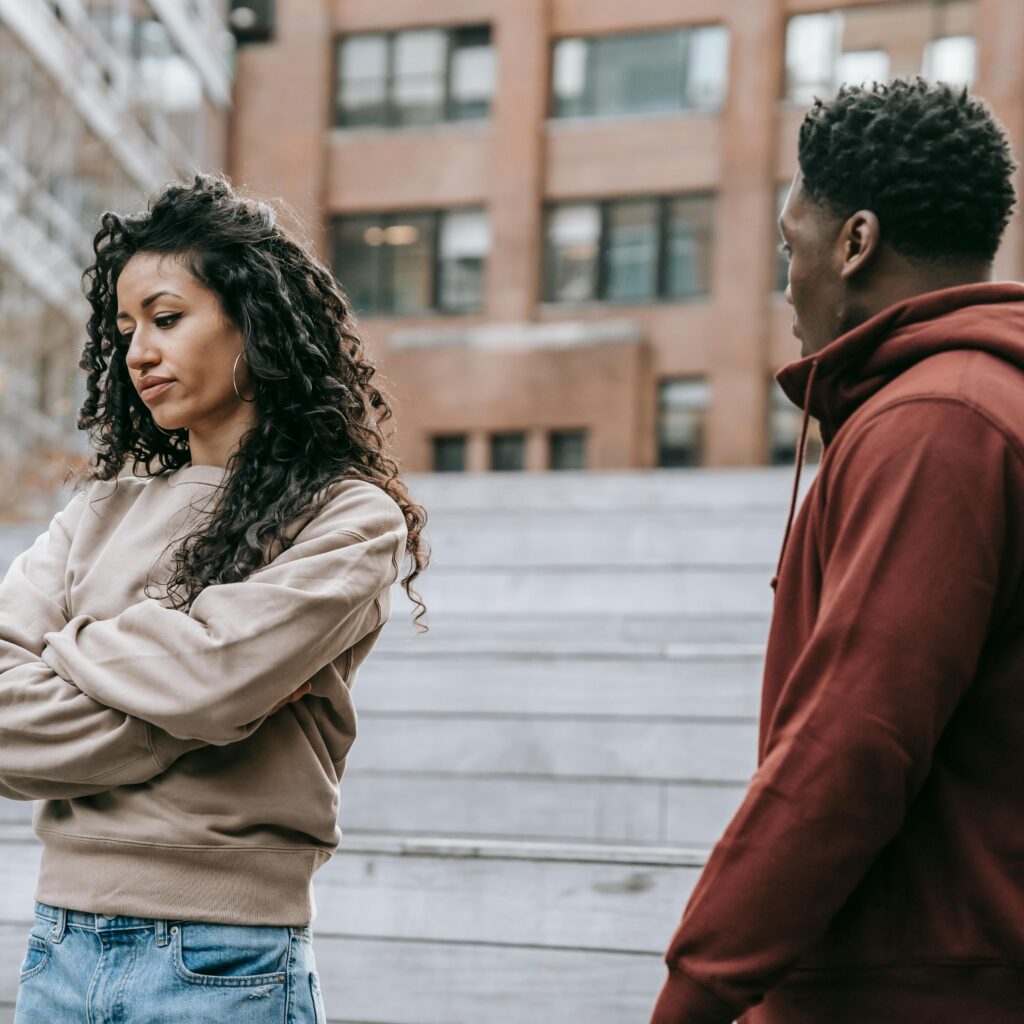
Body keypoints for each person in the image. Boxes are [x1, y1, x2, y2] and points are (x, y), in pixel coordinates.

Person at [3, 172, 427, 1023]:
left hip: (226, 959)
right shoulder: (96, 512)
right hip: (59, 947)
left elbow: (214, 679)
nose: (138, 353)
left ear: (253, 321)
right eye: (125, 330)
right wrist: (196, 688)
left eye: (166, 318)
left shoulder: (349, 518)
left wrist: (67, 649)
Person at [650, 78, 1024, 1023]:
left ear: (855, 242)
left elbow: (854, 741)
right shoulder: (981, 407)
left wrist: (694, 992)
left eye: (792, 246)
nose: (789, 282)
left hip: (914, 993)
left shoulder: (938, 424)